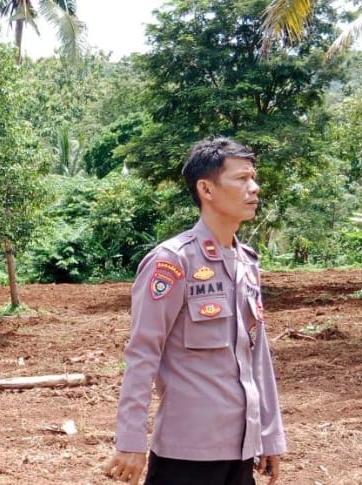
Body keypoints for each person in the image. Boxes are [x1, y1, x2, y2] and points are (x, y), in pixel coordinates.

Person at [104, 138, 286, 485]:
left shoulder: (247, 263)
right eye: (242, 178)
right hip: (187, 454)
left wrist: (270, 435)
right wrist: (130, 441)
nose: (254, 187)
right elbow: (143, 353)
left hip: (242, 450)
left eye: (253, 177)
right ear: (206, 189)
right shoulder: (173, 262)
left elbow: (257, 355)